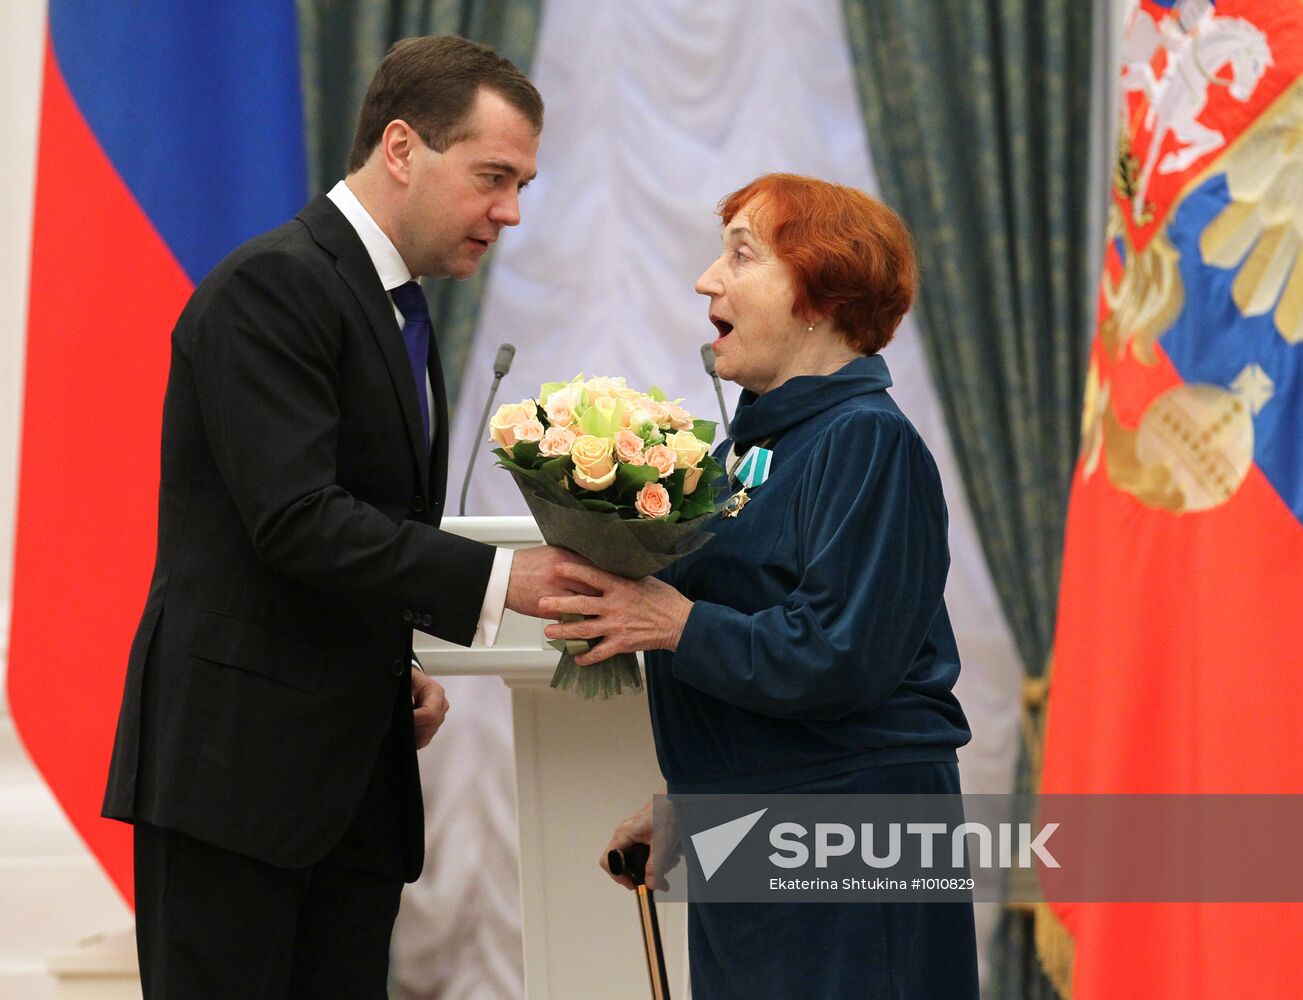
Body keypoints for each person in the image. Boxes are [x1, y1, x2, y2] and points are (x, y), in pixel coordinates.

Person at [102, 36, 582, 999]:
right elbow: (297, 520)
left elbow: (337, 532)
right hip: (236, 780)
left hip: (345, 783)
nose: (510, 213)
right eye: (493, 176)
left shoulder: (393, 305)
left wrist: (383, 670)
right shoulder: (274, 286)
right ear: (401, 147)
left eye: (523, 184)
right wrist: (499, 581)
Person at [542, 173, 979, 998]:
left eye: (740, 256)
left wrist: (671, 623)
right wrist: (690, 796)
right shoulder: (746, 452)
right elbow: (754, 635)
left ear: (818, 294)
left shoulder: (866, 441)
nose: (707, 280)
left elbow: (839, 656)